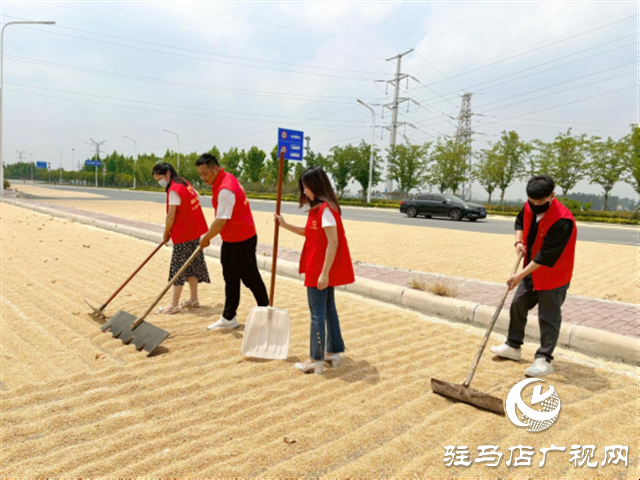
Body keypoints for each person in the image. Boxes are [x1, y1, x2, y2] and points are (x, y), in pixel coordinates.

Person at [491, 175, 577, 377]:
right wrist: (518, 242)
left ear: (552, 196)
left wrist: (519, 275)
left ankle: (544, 359)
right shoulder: (528, 206)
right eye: (532, 201)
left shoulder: (563, 220)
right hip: (531, 271)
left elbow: (546, 256)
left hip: (553, 276)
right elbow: (520, 221)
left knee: (548, 318)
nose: (535, 205)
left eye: (541, 202)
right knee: (517, 305)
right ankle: (513, 346)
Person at [275, 167, 354, 375]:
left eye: (306, 187)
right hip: (319, 267)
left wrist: (324, 273)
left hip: (319, 269)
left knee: (317, 314)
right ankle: (330, 352)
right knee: (328, 311)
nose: (304, 191)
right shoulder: (320, 209)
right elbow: (308, 232)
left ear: (316, 186)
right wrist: (284, 225)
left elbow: (333, 242)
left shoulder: (325, 210)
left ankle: (315, 358)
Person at [195, 153, 269, 330]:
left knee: (250, 279)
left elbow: (220, 221)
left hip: (243, 239)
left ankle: (267, 314)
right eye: (200, 174)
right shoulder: (223, 179)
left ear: (215, 168)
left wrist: (206, 237)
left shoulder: (226, 189)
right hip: (230, 239)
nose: (203, 178)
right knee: (230, 277)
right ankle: (229, 317)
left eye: (205, 173)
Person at [152, 163, 210, 314]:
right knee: (192, 266)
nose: (160, 182)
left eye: (160, 179)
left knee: (177, 269)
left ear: (168, 174)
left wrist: (166, 234)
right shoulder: (184, 183)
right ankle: (194, 299)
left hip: (183, 234)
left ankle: (173, 304)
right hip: (194, 232)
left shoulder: (174, 190)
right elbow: (196, 196)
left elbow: (171, 216)